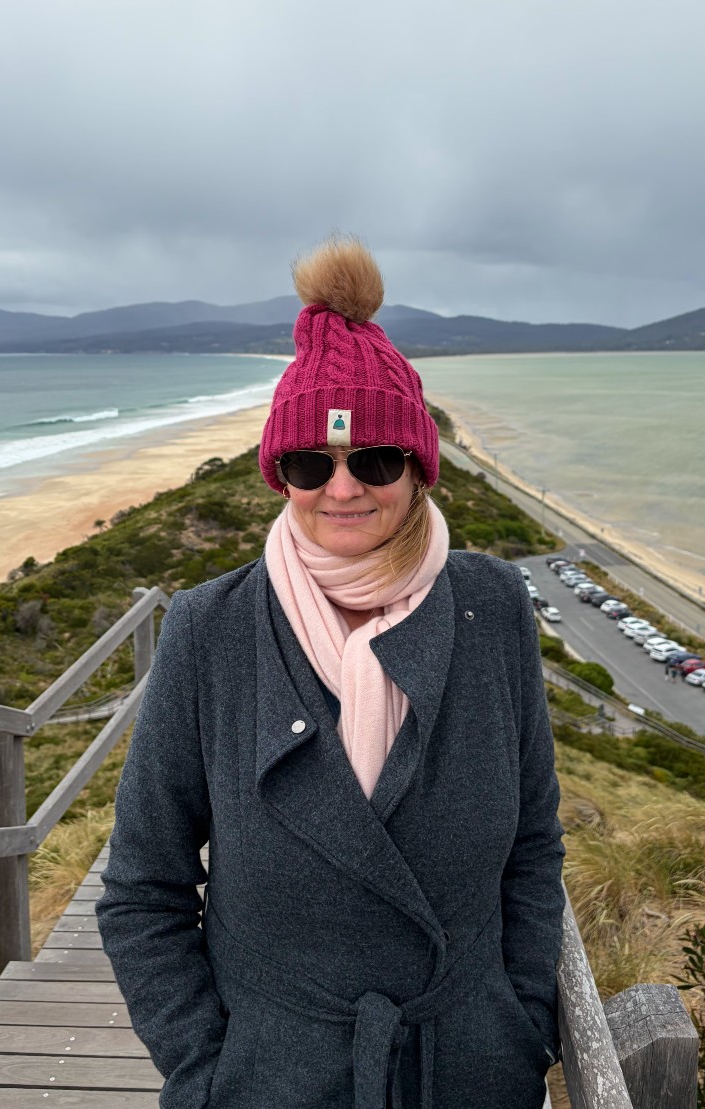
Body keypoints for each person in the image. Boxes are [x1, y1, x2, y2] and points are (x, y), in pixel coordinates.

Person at [95, 237, 566, 1109]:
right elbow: (141, 890)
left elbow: (533, 843)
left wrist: (521, 1023)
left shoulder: (493, 606)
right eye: (313, 462)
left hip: (466, 1069)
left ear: (418, 466)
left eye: (375, 460)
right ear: (282, 473)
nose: (343, 488)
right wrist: (207, 1075)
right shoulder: (212, 630)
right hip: (271, 1079)